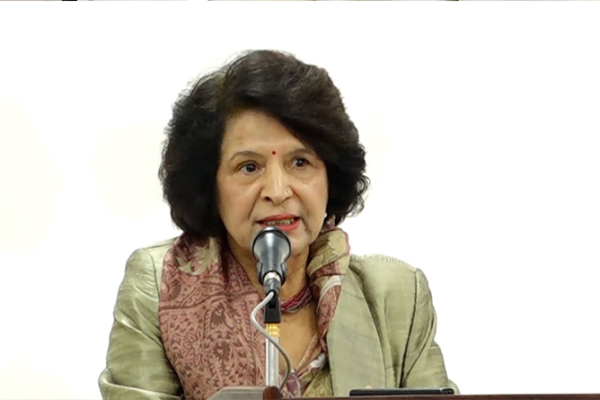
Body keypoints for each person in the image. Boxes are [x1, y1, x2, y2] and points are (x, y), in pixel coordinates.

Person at [98, 50, 458, 400]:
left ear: (330, 175)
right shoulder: (158, 286)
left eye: (299, 162)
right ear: (209, 185)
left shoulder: (395, 297)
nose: (277, 190)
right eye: (249, 167)